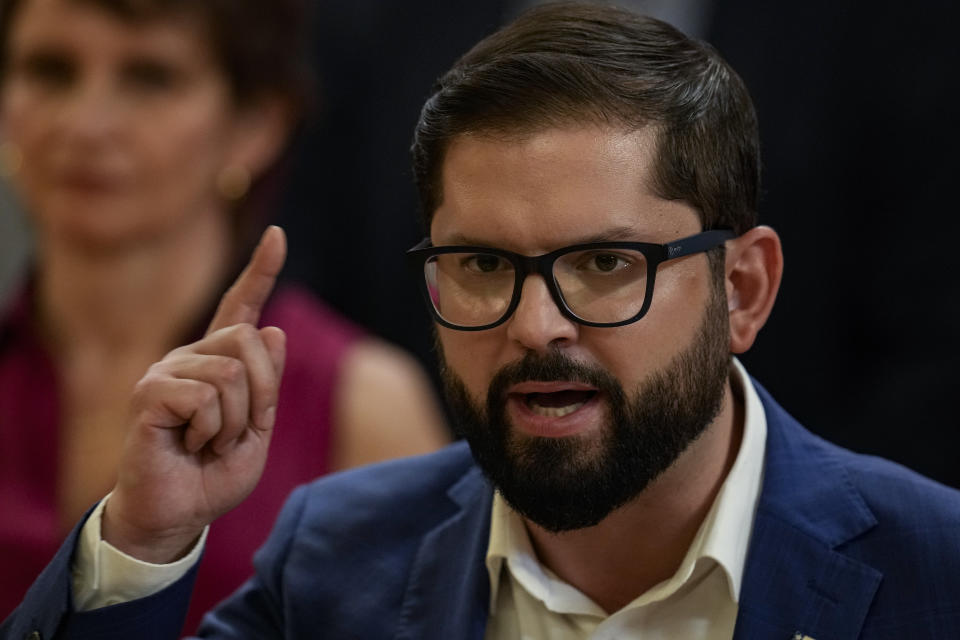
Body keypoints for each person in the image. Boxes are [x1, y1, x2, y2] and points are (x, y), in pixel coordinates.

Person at [5, 3, 960, 638]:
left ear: (743, 290)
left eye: (603, 263)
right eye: (481, 265)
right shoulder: (336, 560)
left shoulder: (934, 568)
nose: (536, 323)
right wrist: (143, 542)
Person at [0, 0, 448, 631]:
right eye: (50, 70)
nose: (85, 122)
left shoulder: (361, 401)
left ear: (256, 124)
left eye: (150, 77)